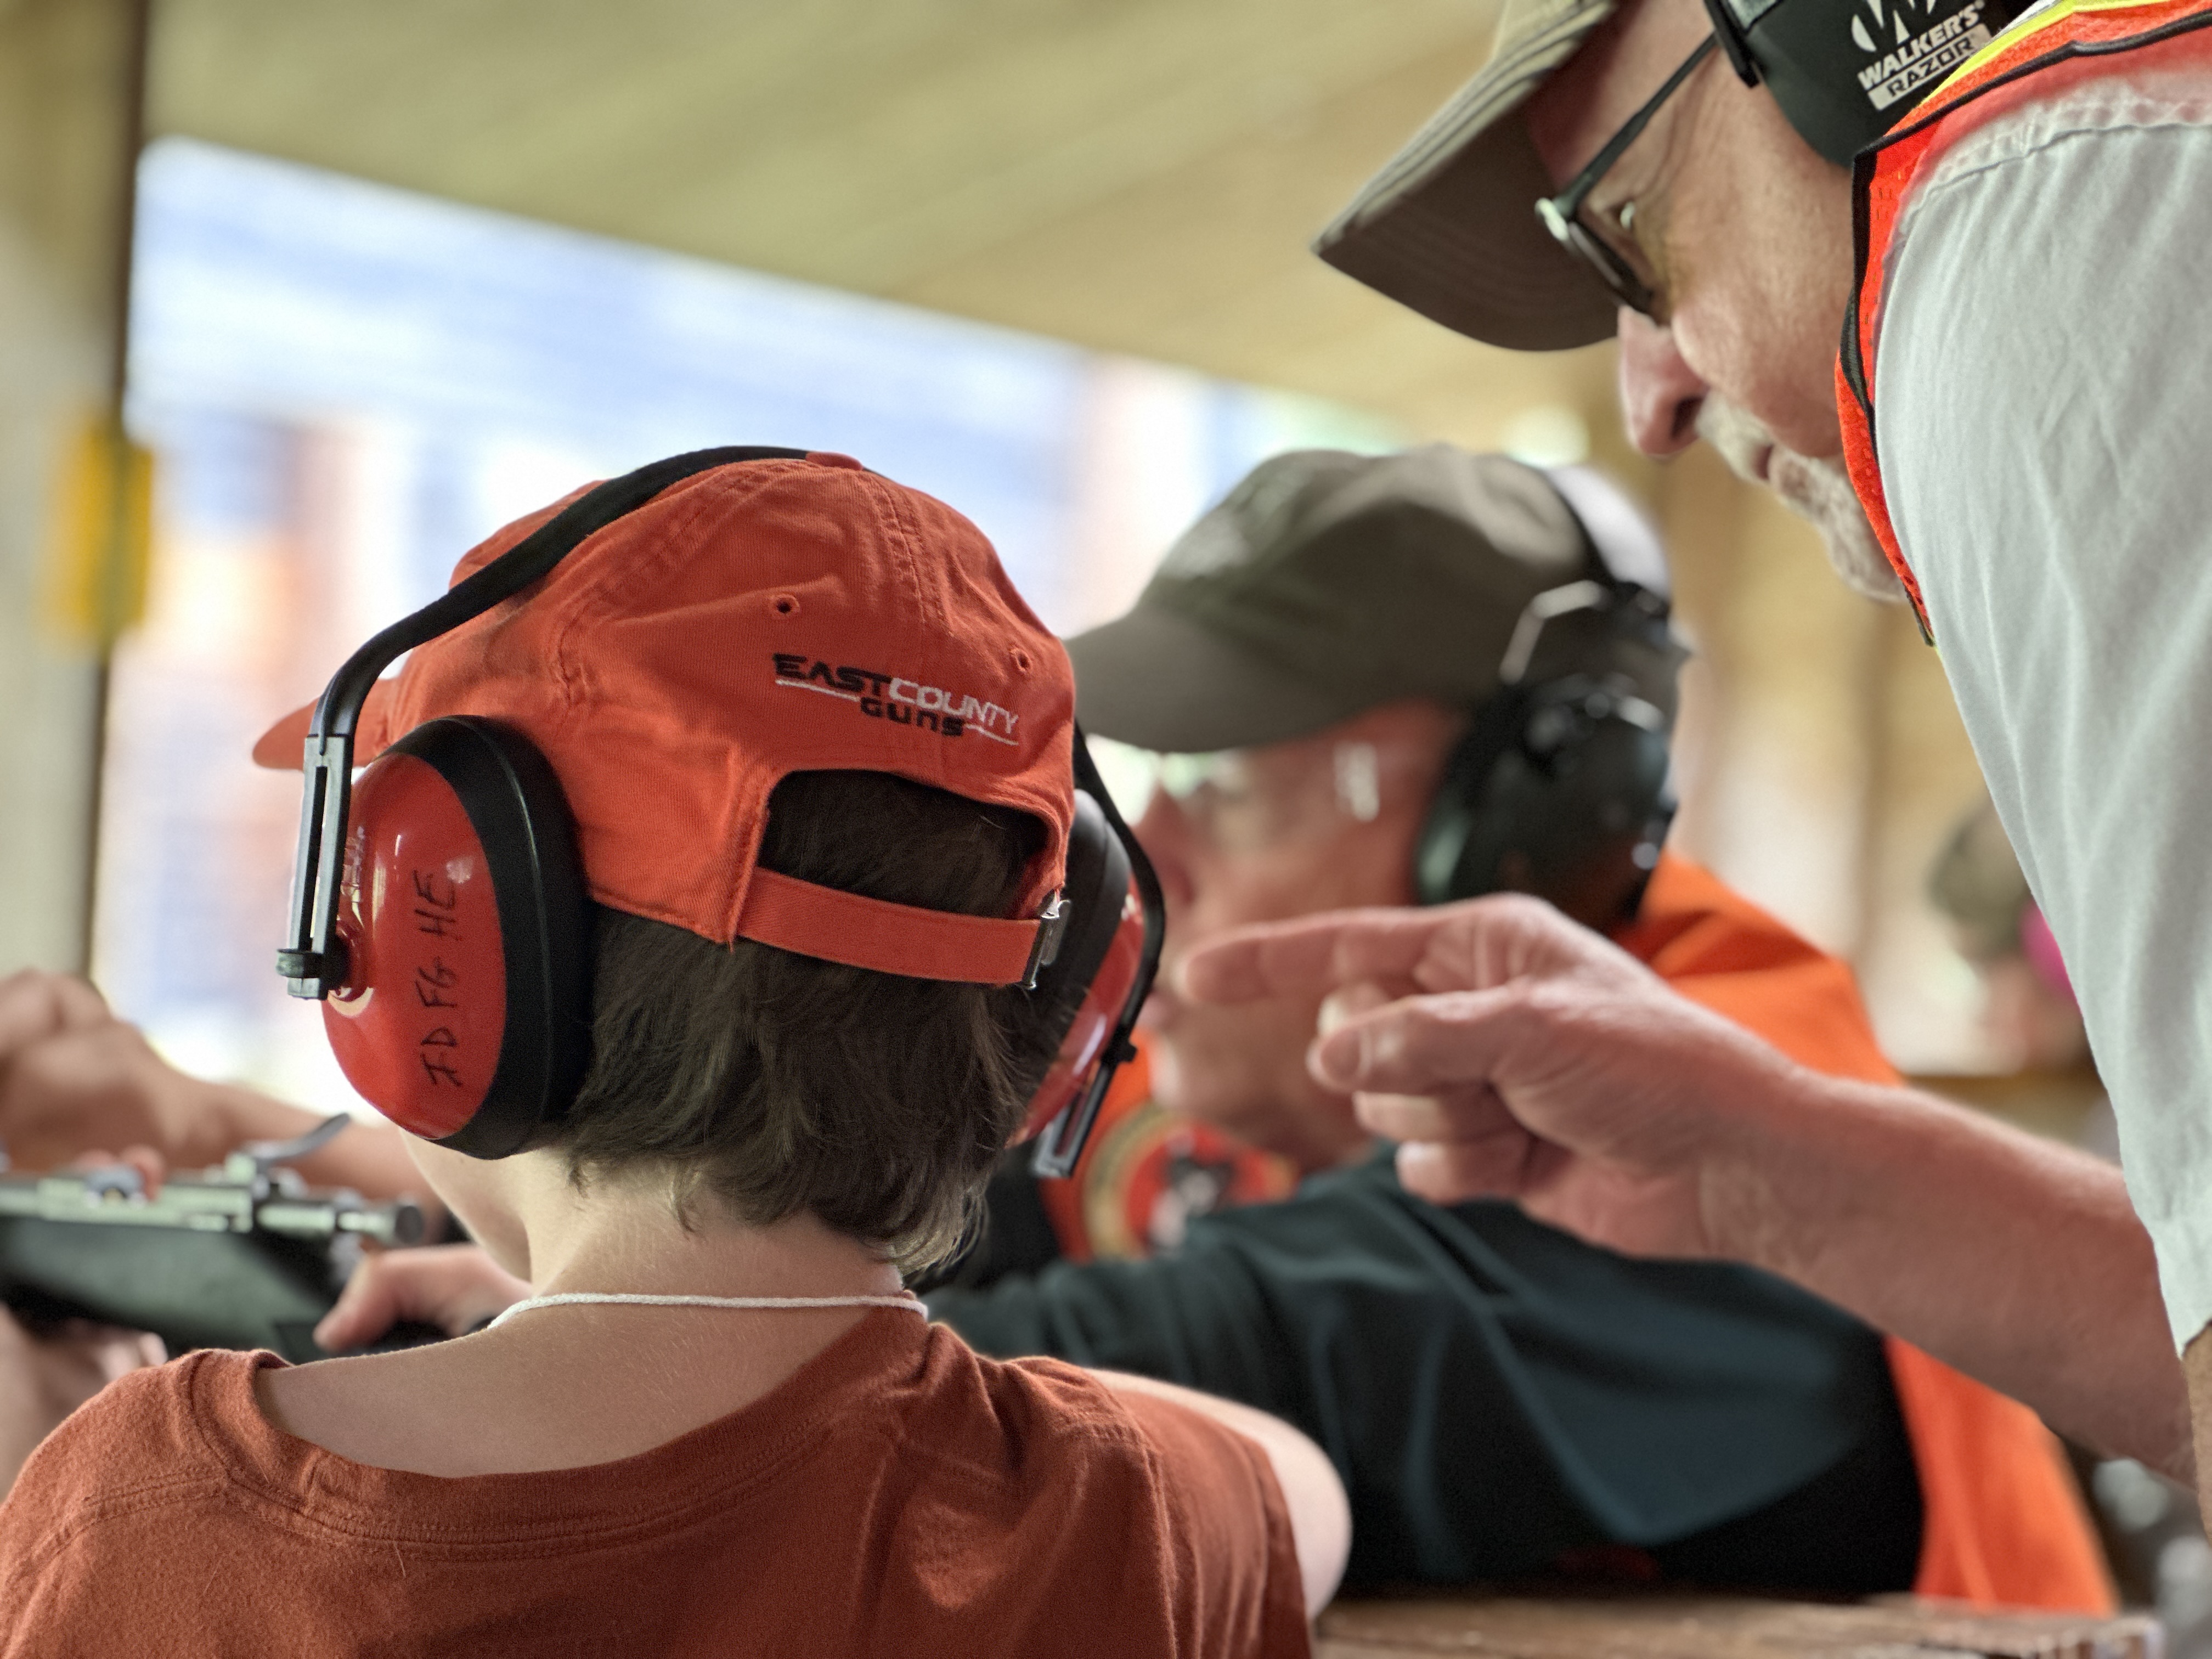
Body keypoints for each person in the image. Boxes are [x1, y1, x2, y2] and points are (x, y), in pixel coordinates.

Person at [0, 451, 1345, 1654]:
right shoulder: (1111, 1510)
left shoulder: (150, 1508)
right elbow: (1294, 1482)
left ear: (438, 944)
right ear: (1049, 1029)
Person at [1231, 0, 2212, 1505]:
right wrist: (1770, 1168)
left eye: (1631, 241)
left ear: (1844, 34)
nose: (1650, 399)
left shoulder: (2031, 226)